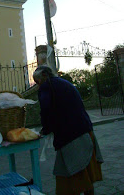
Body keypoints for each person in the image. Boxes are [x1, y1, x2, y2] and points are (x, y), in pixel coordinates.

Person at [33, 65, 103, 195]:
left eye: (37, 81)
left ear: (44, 76)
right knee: (87, 174)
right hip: (86, 132)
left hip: (71, 137)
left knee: (71, 178)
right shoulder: (65, 83)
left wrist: (45, 129)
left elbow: (46, 111)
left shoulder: (47, 86)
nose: (38, 85)